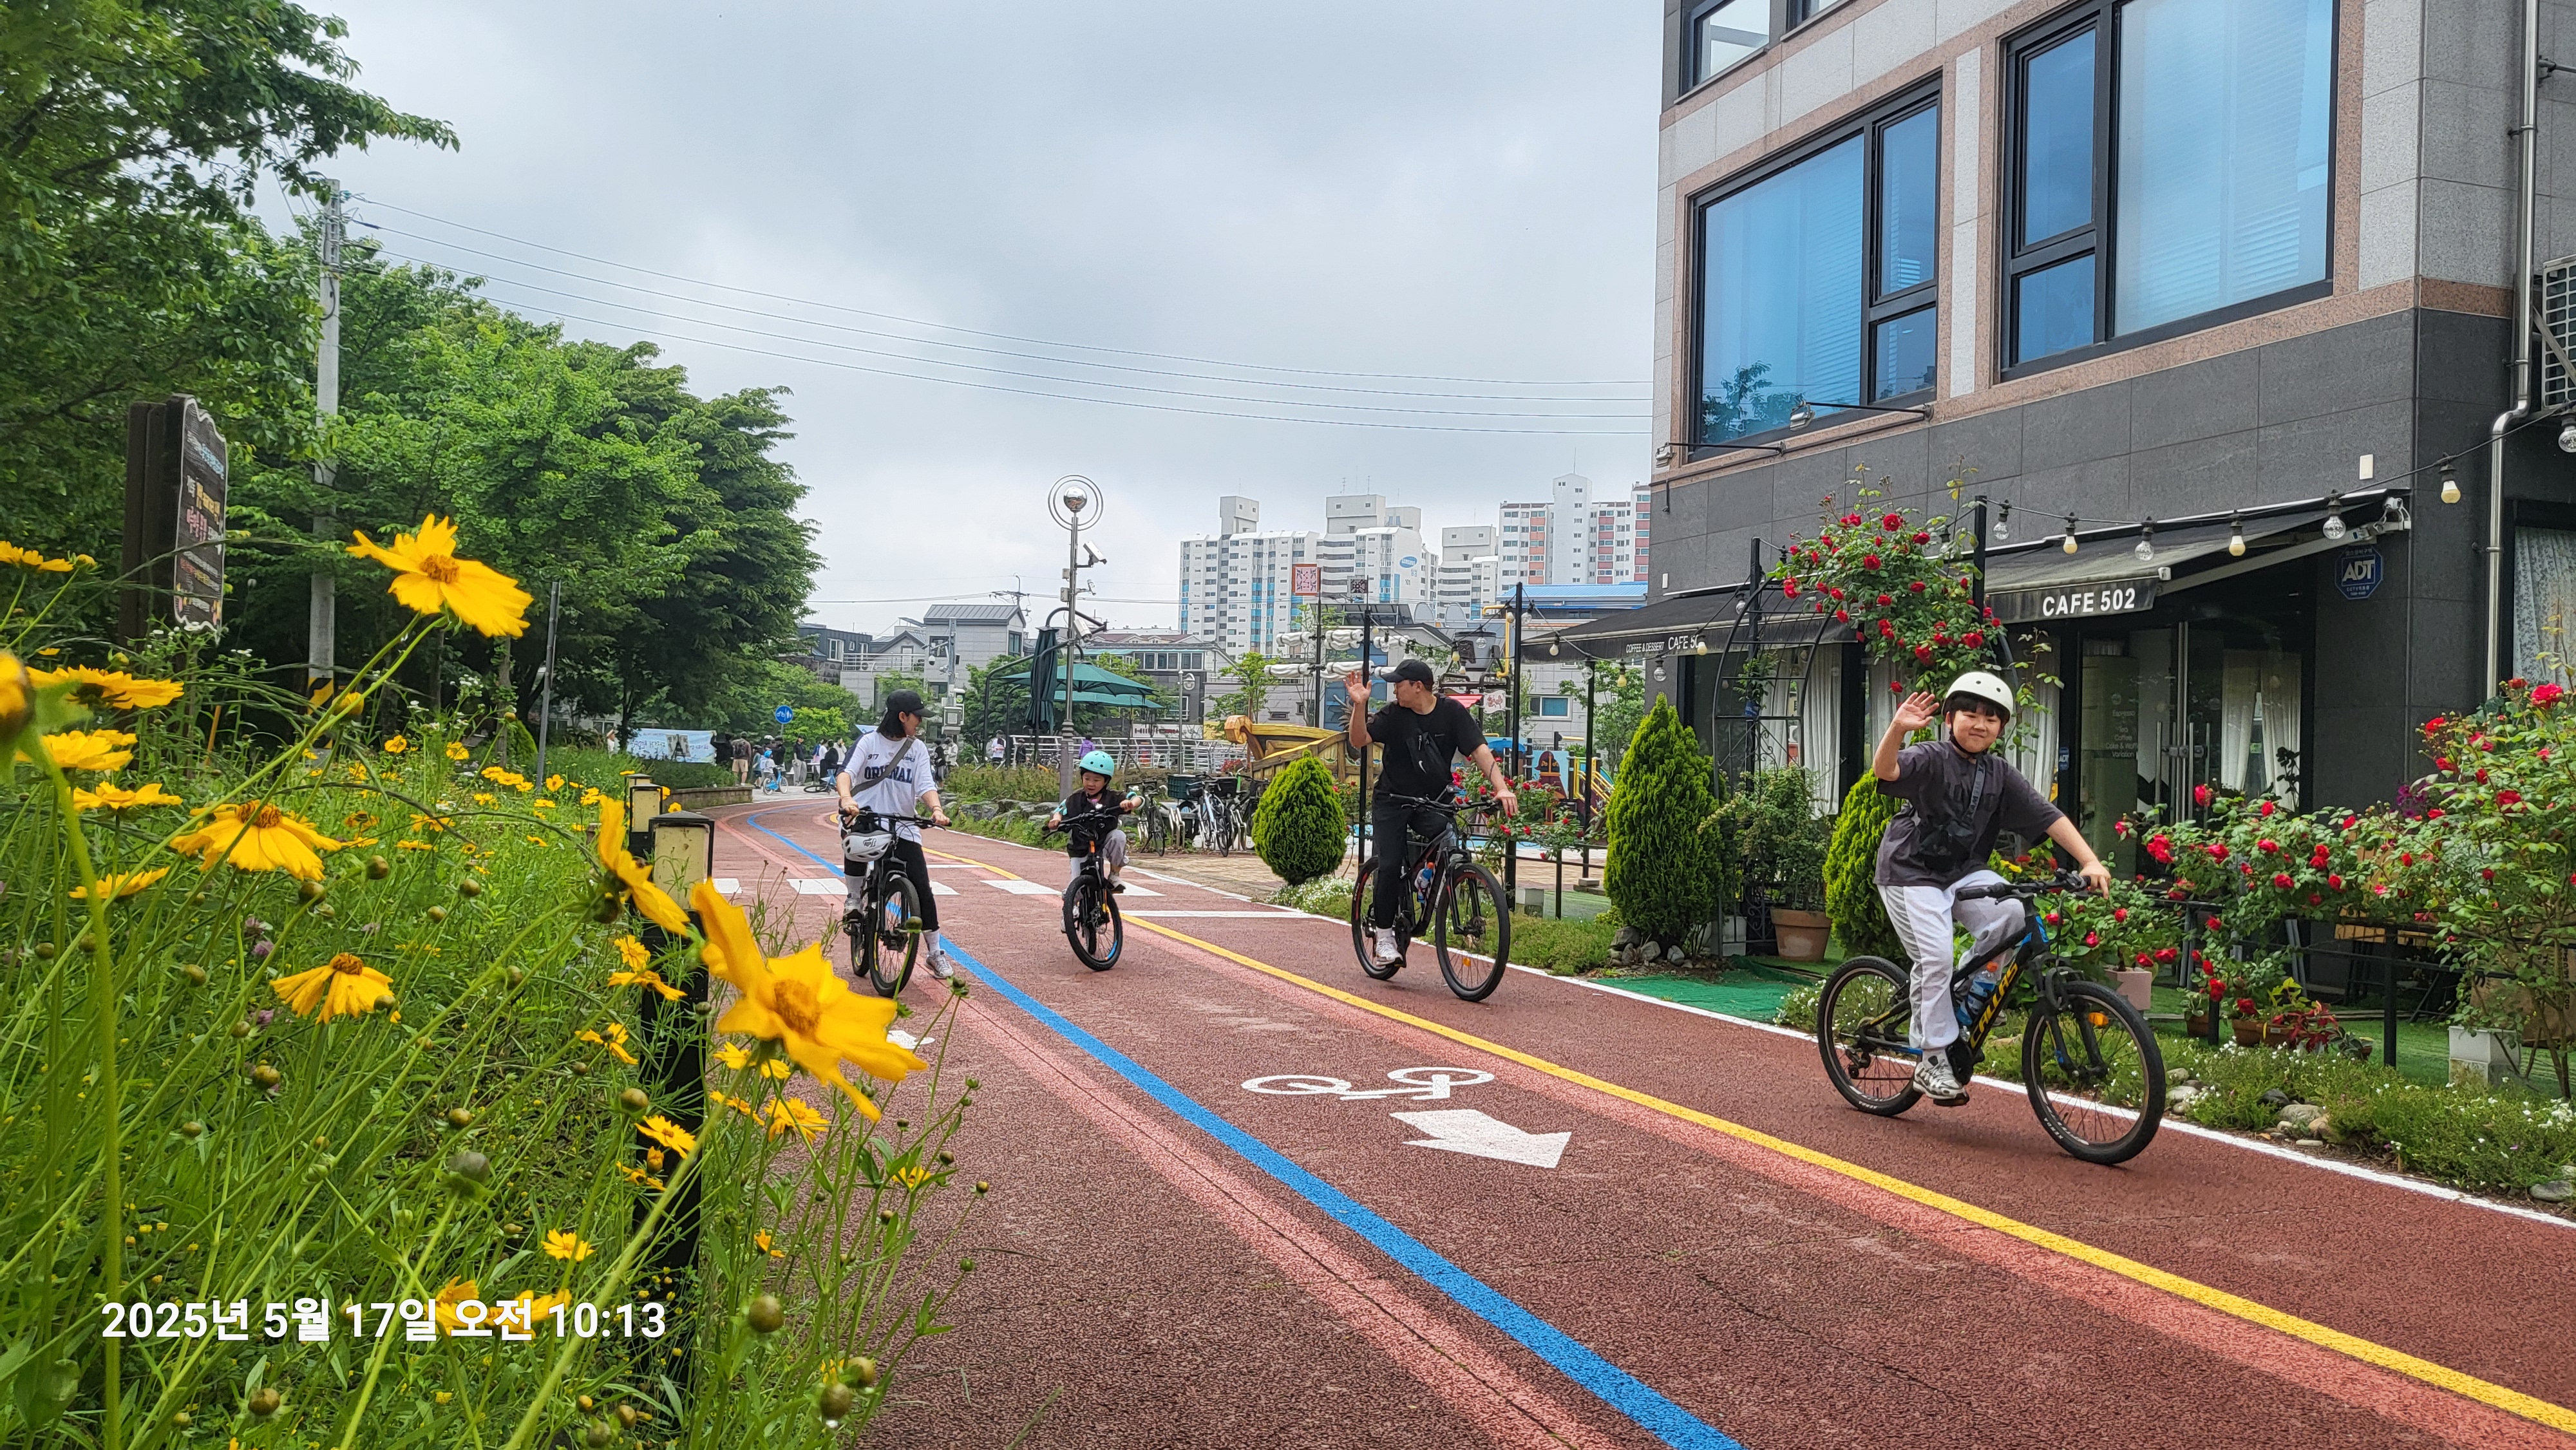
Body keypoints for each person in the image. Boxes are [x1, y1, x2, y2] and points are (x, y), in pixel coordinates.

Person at [1873, 671, 2111, 1107]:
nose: (1979, 724)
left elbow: (2048, 816)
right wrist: (1897, 729)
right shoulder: (1930, 756)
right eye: (1970, 714)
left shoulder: (2000, 774)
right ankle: (1932, 1058)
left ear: (2001, 727)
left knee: (2014, 914)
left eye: (1991, 718)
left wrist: (2089, 859)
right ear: (1949, 719)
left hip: (1964, 871)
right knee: (1935, 956)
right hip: (1910, 873)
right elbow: (1885, 770)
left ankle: (1962, 990)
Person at [1343, 659, 1518, 967]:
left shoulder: (1452, 713)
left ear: (1418, 687)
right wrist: (1359, 707)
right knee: (1391, 863)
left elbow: (1479, 751)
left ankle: (1426, 883)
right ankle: (1384, 936)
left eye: (1399, 684)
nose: (1395, 689)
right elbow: (1359, 741)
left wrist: (1501, 788)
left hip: (1433, 800)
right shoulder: (1393, 714)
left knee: (1450, 841)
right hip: (1392, 800)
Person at [837, 688, 957, 981]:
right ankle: (854, 898)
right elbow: (846, 774)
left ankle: (934, 953)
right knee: (856, 841)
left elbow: (926, 784)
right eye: (917, 717)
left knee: (922, 887)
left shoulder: (917, 749)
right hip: (867, 816)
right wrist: (847, 800)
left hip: (902, 823)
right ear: (902, 716)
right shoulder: (868, 742)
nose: (920, 722)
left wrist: (937, 809)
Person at [1046, 749, 1141, 892]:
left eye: (1096, 780)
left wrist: (1131, 803)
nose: (1091, 783)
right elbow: (1060, 810)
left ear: (1106, 781)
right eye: (1087, 778)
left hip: (1103, 843)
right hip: (1080, 848)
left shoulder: (1113, 797)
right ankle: (1070, 911)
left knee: (1119, 836)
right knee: (1075, 889)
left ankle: (1114, 875)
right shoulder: (1076, 798)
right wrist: (1056, 820)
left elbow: (1137, 798)